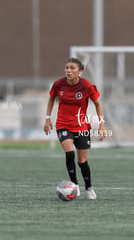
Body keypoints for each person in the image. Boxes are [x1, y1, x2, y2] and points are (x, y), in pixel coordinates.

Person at [44, 57, 106, 200]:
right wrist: (48, 118)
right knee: (69, 153)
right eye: (67, 68)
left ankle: (89, 188)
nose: (68, 71)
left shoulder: (87, 86)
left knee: (82, 160)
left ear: (80, 71)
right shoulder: (58, 85)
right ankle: (74, 185)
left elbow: (97, 104)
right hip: (63, 124)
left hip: (81, 125)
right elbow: (51, 98)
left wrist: (101, 125)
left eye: (72, 68)